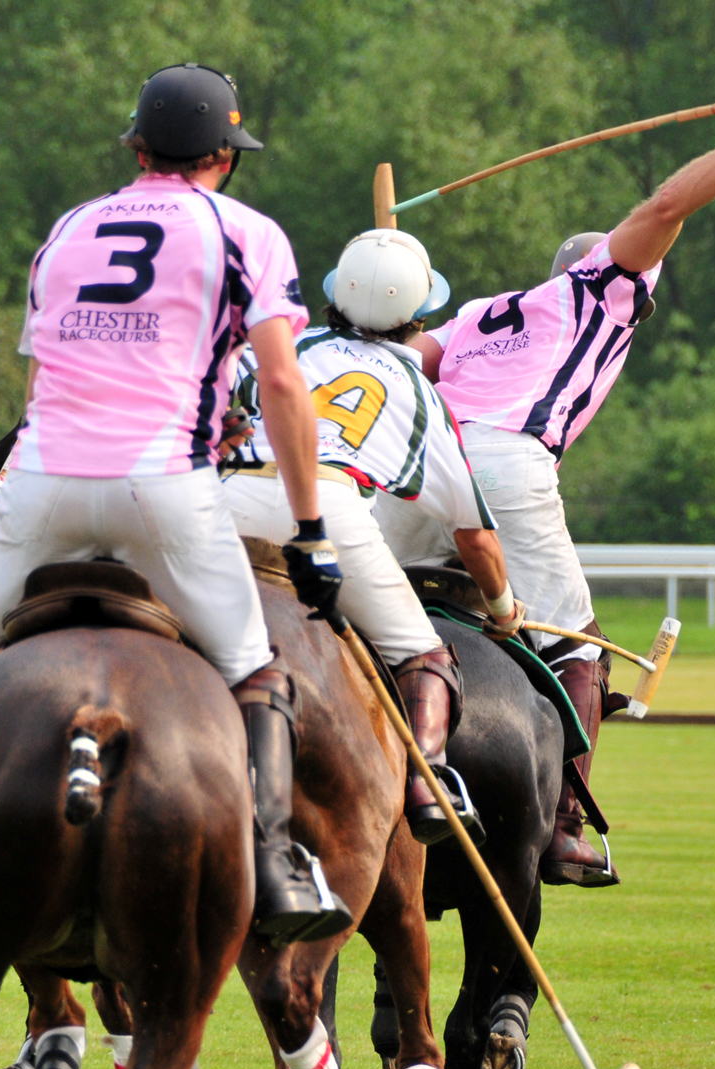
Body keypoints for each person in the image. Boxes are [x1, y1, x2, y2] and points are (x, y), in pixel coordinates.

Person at [0, 63, 352, 952]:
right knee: (256, 669)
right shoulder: (246, 232)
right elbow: (286, 388)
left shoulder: (67, 230)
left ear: (137, 148)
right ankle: (270, 863)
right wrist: (310, 533)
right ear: (226, 155)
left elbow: (40, 385)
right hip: (165, 488)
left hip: (42, 485)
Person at [379, 74, 715, 885]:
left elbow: (398, 362)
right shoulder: (602, 289)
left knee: (371, 611)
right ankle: (565, 826)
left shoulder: (476, 313)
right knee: (577, 643)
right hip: (503, 462)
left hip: (418, 462)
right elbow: (666, 207)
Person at [224, 228, 526, 845]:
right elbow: (473, 537)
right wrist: (504, 610)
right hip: (328, 512)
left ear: (335, 294)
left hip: (224, 500)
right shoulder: (420, 390)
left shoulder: (279, 346)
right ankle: (428, 785)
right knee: (423, 654)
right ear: (417, 315)